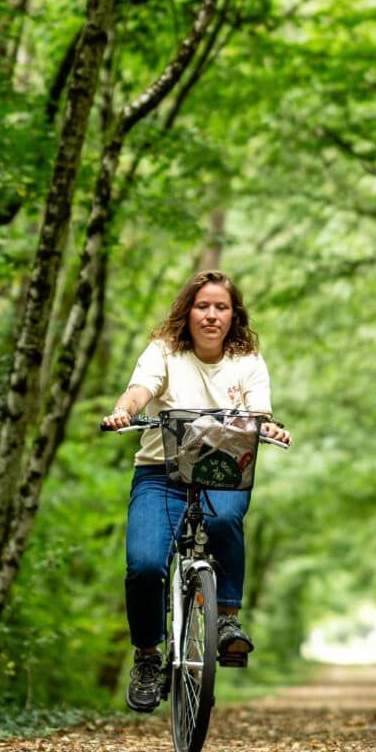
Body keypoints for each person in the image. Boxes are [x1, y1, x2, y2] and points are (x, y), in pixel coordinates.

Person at [102, 269, 289, 714]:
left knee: (225, 519)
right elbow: (139, 391)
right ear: (187, 312)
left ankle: (227, 621)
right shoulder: (163, 352)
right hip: (160, 472)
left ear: (233, 315)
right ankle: (148, 657)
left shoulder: (248, 360)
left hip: (223, 472)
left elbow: (258, 412)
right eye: (202, 306)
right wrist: (122, 412)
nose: (211, 315)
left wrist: (271, 428)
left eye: (221, 307)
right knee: (145, 566)